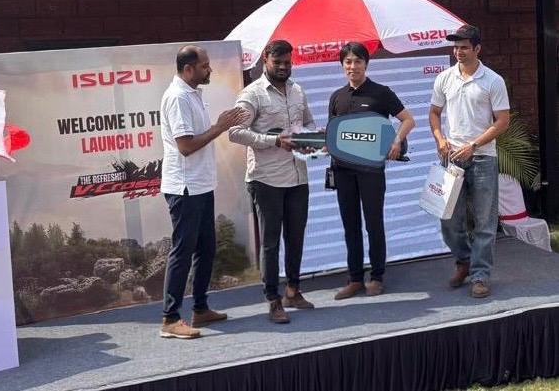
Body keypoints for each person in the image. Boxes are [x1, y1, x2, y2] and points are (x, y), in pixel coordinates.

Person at [159, 45, 249, 339]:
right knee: (183, 250)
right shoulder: (178, 97)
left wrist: (218, 125)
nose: (210, 69)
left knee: (206, 248)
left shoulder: (192, 93)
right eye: (205, 66)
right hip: (184, 188)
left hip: (200, 185)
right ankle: (170, 318)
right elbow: (185, 146)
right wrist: (220, 127)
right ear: (188, 69)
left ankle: (200, 308)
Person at [229, 39, 316, 324]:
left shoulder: (298, 90)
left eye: (287, 63)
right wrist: (274, 140)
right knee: (270, 243)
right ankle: (273, 299)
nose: (283, 67)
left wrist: (310, 139)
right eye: (277, 62)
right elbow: (235, 132)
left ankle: (293, 290)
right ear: (265, 60)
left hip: (298, 176)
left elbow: (309, 123)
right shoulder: (252, 93)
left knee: (296, 237)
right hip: (266, 180)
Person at [328, 42, 415, 299]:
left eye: (358, 61)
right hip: (343, 170)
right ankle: (355, 278)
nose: (352, 66)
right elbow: (333, 133)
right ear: (342, 65)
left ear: (366, 64)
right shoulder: (337, 96)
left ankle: (376, 277)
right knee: (350, 225)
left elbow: (408, 120)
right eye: (348, 62)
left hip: (371, 172)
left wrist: (396, 141)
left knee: (373, 224)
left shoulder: (381, 92)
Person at [429, 24, 509, 298]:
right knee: (448, 219)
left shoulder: (493, 80)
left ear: (477, 49)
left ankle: (480, 275)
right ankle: (463, 261)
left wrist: (473, 145)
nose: (458, 52)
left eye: (464, 47)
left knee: (484, 221)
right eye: (455, 47)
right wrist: (440, 139)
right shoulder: (444, 78)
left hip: (483, 158)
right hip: (452, 158)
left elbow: (503, 121)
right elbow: (434, 112)